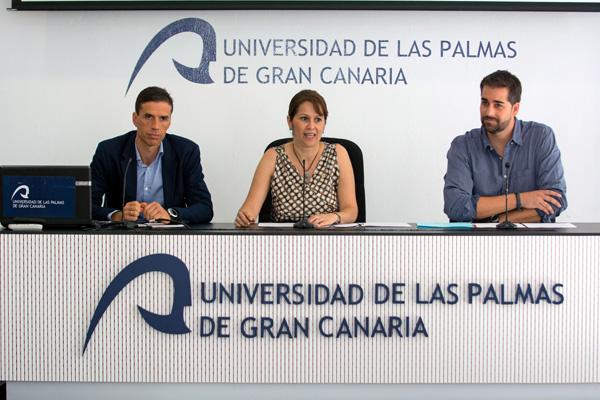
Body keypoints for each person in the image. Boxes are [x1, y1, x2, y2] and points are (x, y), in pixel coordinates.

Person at [444, 70, 567, 223]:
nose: (489, 111)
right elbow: (456, 206)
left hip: (532, 243)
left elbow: (554, 201)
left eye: (498, 105)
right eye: (485, 103)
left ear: (515, 109)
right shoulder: (463, 146)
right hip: (476, 244)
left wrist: (497, 220)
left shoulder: (541, 137)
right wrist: (520, 200)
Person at [235, 89, 358, 228]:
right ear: (290, 121)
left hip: (328, 239)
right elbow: (249, 210)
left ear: (324, 123)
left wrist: (335, 217)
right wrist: (245, 217)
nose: (311, 126)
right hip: (283, 241)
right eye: (304, 118)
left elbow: (351, 211)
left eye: (318, 119)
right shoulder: (273, 156)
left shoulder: (338, 153)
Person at [91, 86, 213, 224]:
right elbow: (85, 206)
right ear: (135, 119)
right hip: (122, 238)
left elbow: (204, 208)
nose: (155, 126)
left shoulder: (186, 151)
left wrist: (170, 214)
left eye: (163, 118)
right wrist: (117, 215)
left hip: (169, 238)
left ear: (170, 121)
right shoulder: (109, 151)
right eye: (148, 117)